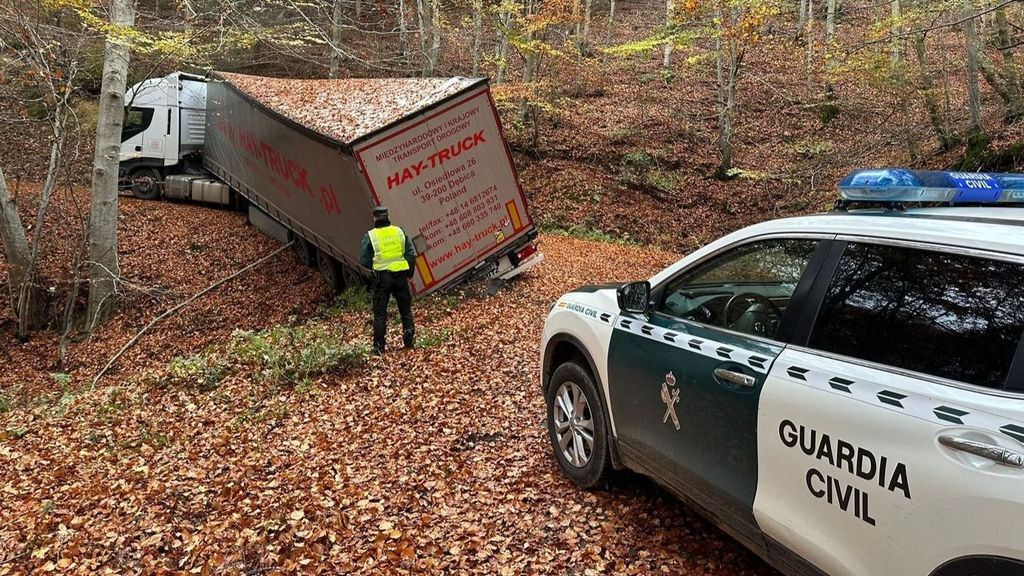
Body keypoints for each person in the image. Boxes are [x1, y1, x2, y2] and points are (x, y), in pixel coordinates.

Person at [360, 206, 416, 354]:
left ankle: (379, 348)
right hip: (400, 278)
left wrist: (375, 267)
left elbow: (364, 260)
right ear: (387, 216)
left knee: (380, 314)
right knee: (405, 310)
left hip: (382, 279)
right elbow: (410, 254)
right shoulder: (399, 231)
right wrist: (409, 273)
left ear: (375, 218)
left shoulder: (370, 236)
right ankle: (409, 341)